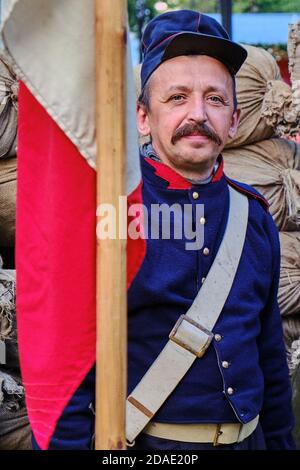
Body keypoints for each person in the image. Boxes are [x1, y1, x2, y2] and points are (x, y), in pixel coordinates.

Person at [32, 9, 295, 450]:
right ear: (142, 117)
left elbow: (270, 358)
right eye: (177, 98)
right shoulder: (107, 212)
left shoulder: (254, 216)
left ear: (233, 120)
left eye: (215, 99)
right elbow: (65, 369)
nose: (198, 113)